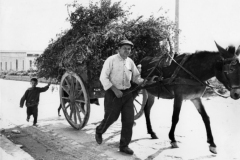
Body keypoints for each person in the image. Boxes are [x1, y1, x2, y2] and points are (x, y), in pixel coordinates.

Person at [95, 40, 147, 155]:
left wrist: (144, 82)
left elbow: (136, 78)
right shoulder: (111, 60)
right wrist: (115, 89)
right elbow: (103, 77)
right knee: (111, 118)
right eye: (124, 48)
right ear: (118, 49)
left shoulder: (130, 62)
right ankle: (99, 130)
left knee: (128, 120)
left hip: (127, 94)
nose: (127, 51)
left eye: (129, 49)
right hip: (113, 94)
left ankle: (124, 145)